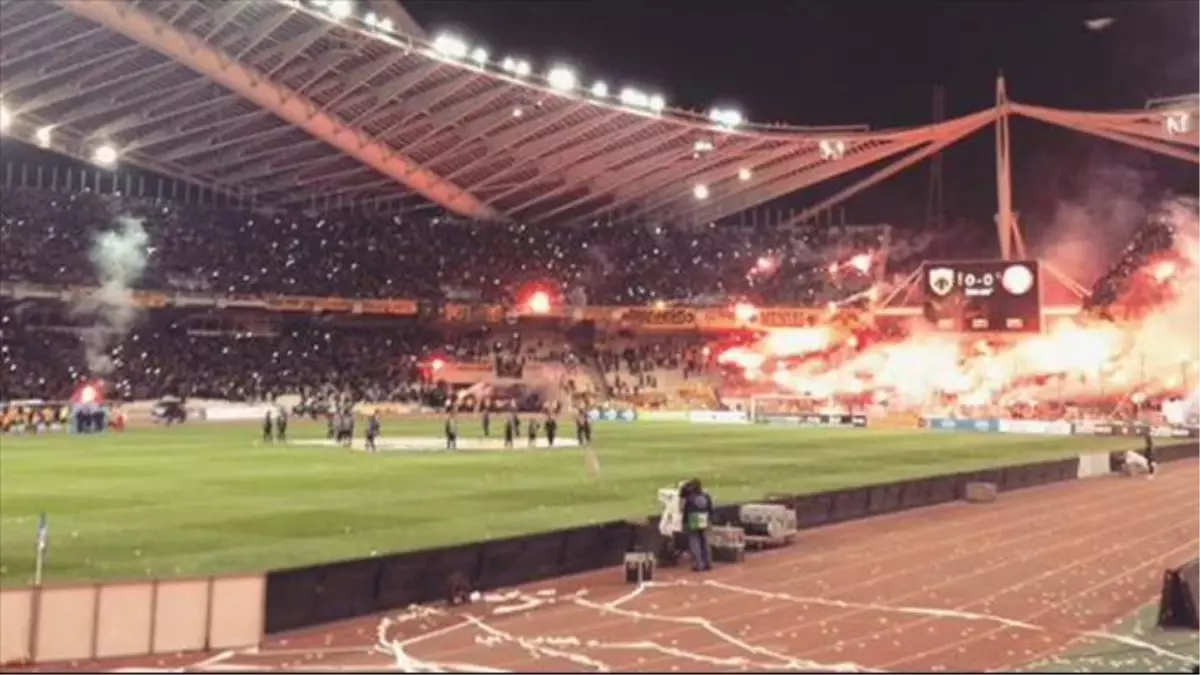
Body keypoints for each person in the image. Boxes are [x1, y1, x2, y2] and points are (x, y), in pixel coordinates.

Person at [681, 479, 714, 572]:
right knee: (704, 540)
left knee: (694, 540)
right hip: (704, 517)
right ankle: (708, 563)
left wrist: (684, 523)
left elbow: (685, 511)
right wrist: (709, 519)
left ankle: (699, 564)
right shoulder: (706, 495)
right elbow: (710, 509)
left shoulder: (690, 498)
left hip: (693, 518)